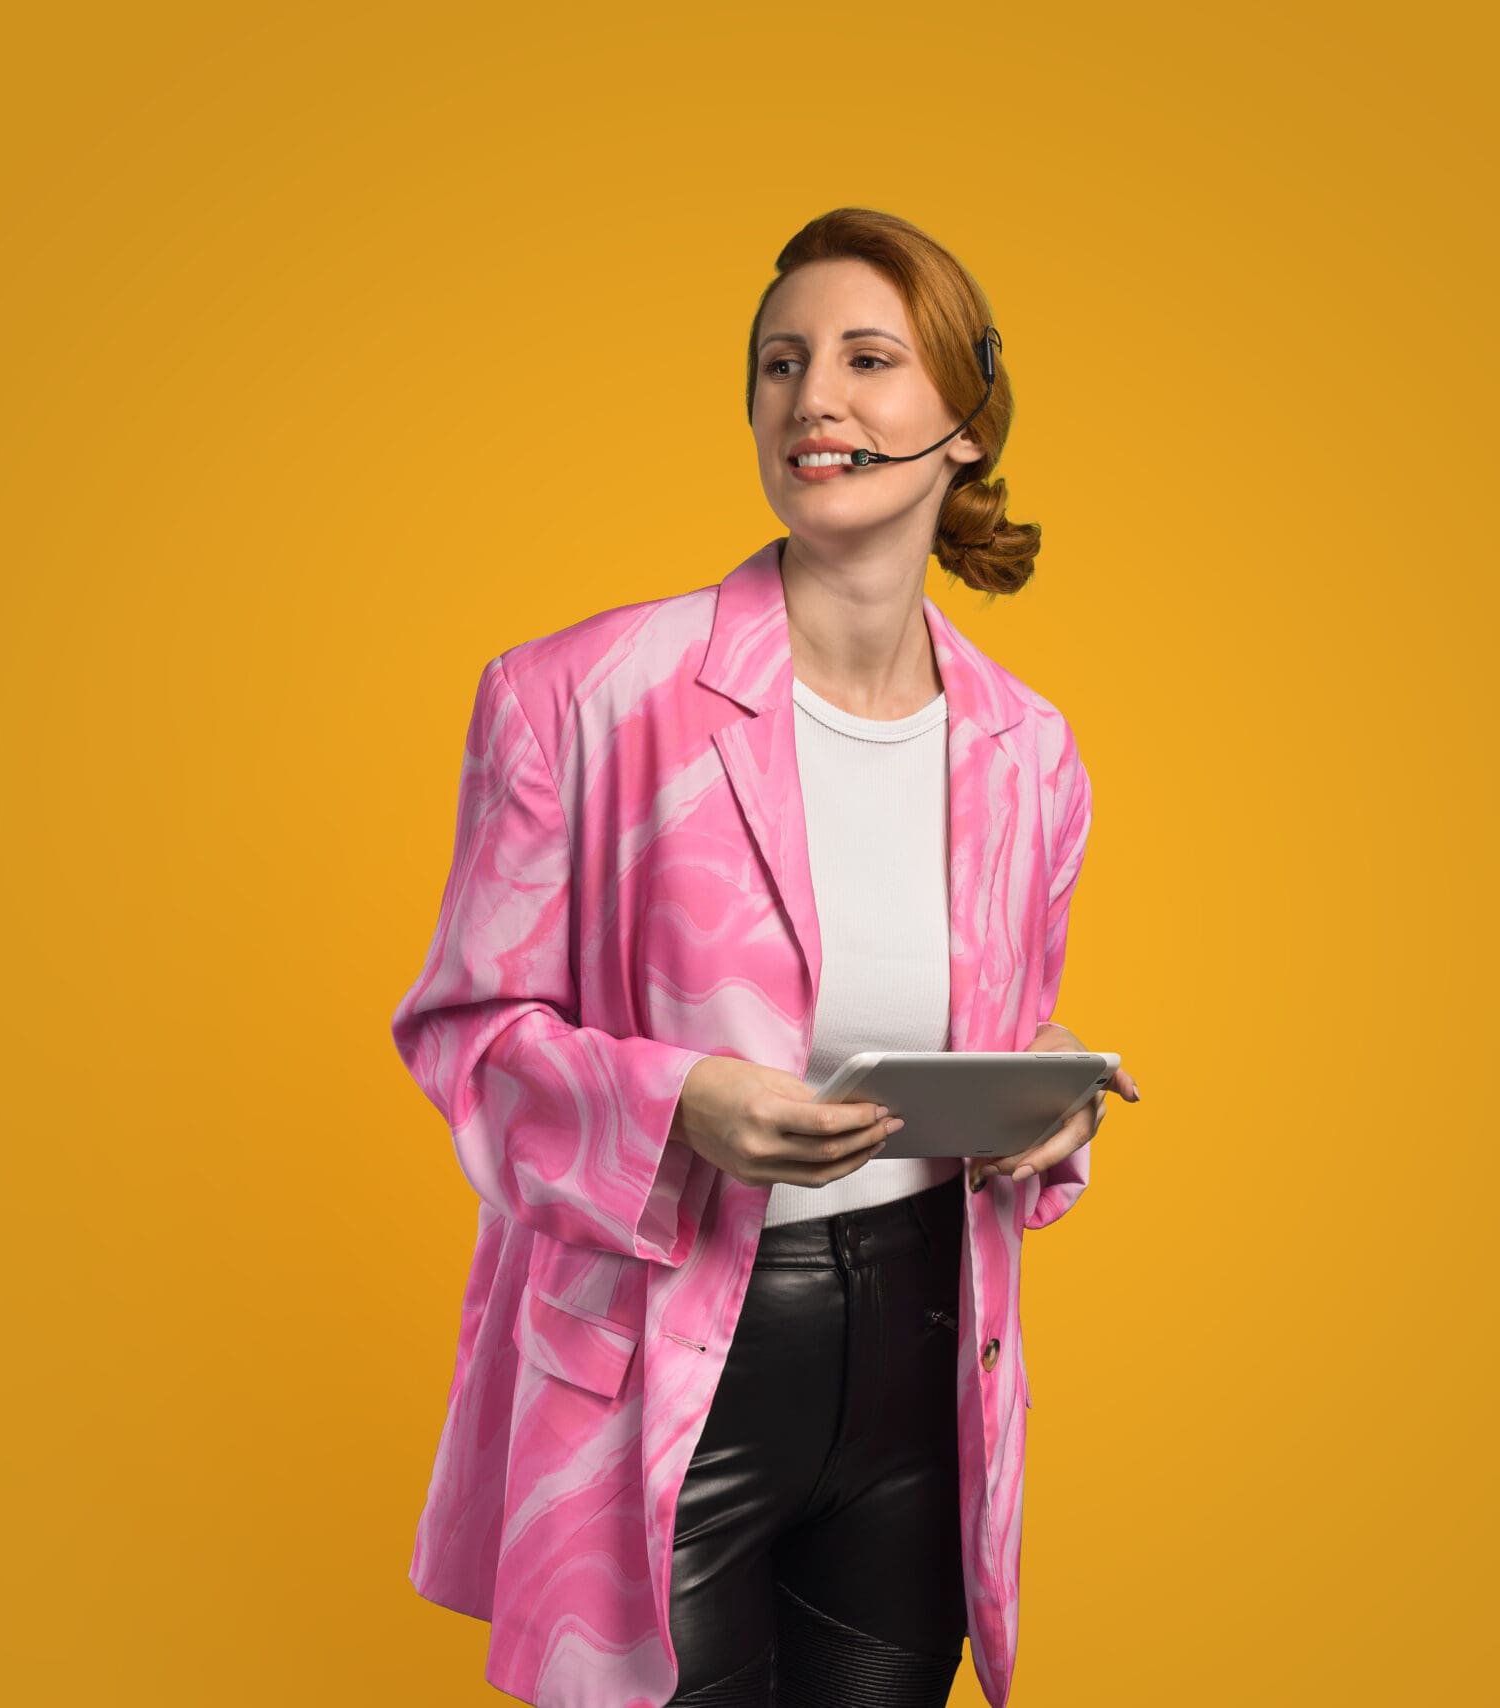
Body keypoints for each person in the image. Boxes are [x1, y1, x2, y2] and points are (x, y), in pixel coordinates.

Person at [389, 207, 1139, 1708]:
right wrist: (682, 1106)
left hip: (924, 1370)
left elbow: (1006, 1032)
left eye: (868, 359)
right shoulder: (578, 697)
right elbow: (466, 1037)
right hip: (662, 1367)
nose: (815, 400)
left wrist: (1042, 1110)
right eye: (782, 364)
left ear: (966, 426)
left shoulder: (1031, 754)